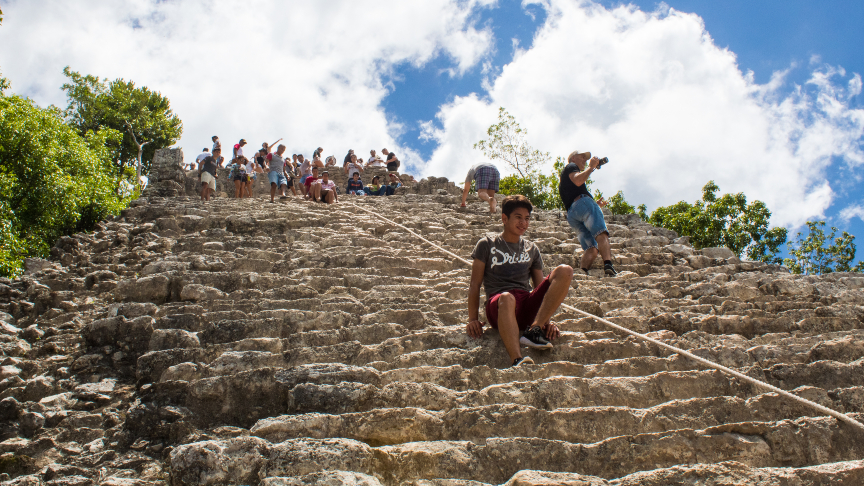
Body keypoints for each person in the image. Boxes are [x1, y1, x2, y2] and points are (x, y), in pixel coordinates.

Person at [467, 195, 574, 367]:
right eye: (518, 217)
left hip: (526, 304)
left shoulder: (532, 249)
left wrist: (546, 321)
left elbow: (541, 288)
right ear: (504, 218)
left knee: (565, 271)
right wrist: (472, 319)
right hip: (500, 305)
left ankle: (534, 330)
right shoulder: (486, 244)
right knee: (507, 297)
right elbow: (475, 284)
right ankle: (517, 359)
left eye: (527, 219)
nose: (523, 223)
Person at [559, 150, 617, 276]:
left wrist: (595, 205)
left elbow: (574, 197)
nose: (585, 160)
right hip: (582, 204)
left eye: (586, 159)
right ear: (573, 158)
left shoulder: (564, 179)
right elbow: (578, 181)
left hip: (572, 214)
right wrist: (591, 167)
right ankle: (608, 264)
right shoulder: (571, 166)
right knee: (601, 233)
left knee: (592, 248)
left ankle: (583, 271)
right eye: (583, 157)